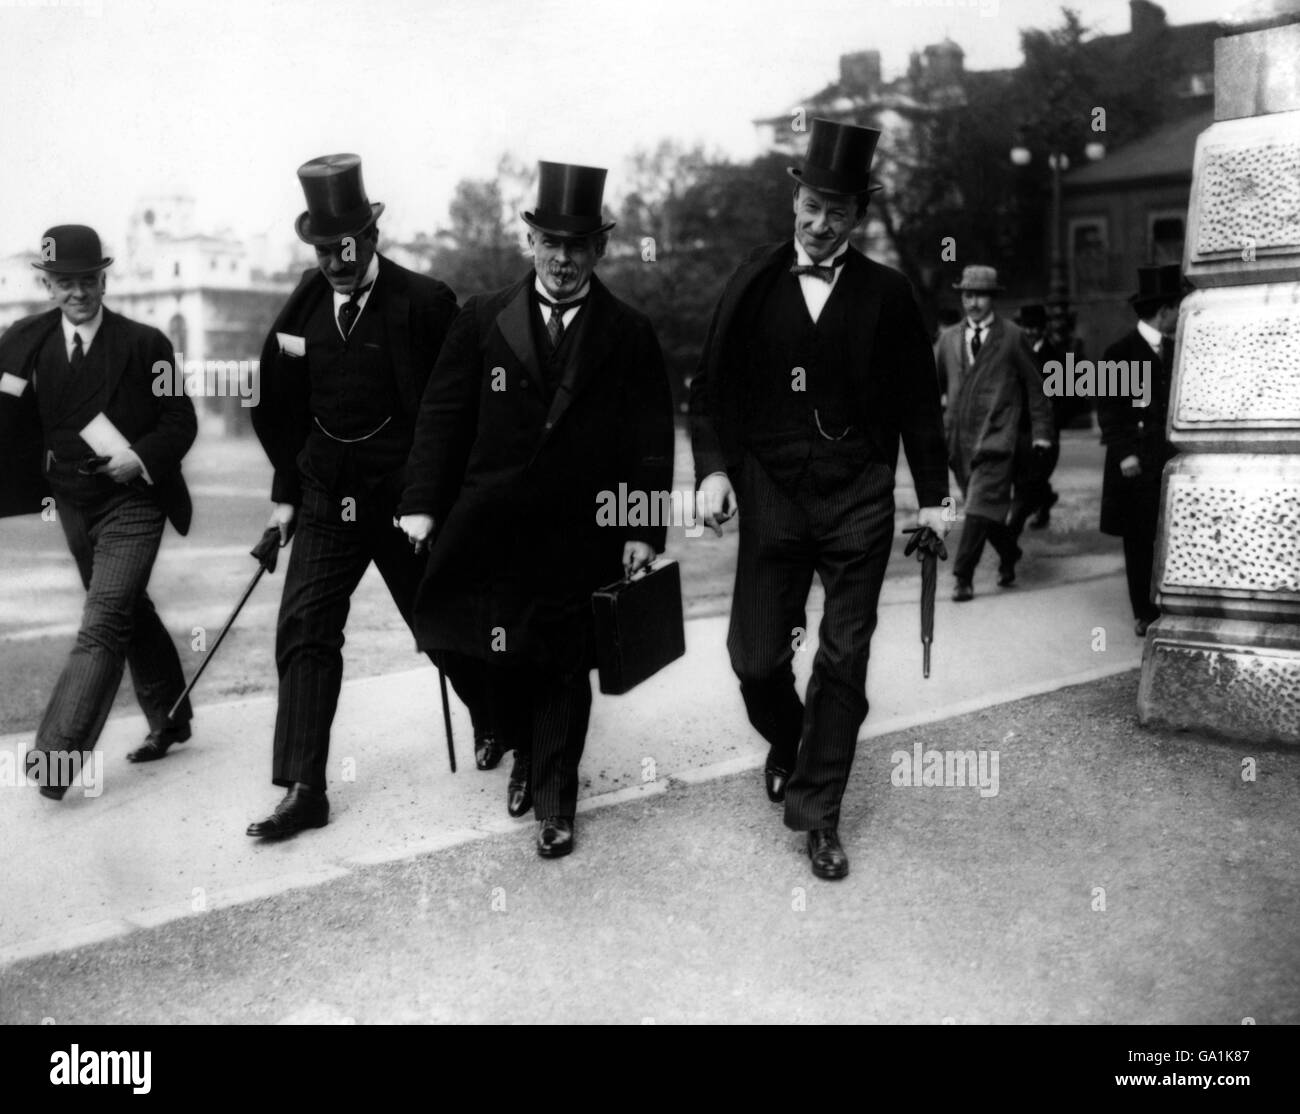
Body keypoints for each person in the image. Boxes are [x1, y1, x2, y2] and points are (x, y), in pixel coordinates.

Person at [690, 119, 951, 881]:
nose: (821, 223)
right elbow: (709, 389)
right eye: (812, 206)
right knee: (754, 660)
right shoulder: (752, 279)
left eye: (838, 211)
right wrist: (713, 471)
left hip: (859, 497)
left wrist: (933, 500)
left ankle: (819, 813)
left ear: (859, 215)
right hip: (771, 492)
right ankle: (793, 740)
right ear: (794, 201)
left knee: (843, 658)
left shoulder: (888, 293)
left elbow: (919, 405)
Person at [398, 161, 674, 860]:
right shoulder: (480, 318)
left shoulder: (628, 332)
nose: (562, 258)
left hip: (578, 534)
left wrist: (642, 527)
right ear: (530, 241)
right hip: (485, 527)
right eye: (550, 242)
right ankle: (516, 739)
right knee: (457, 635)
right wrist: (421, 504)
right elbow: (441, 417)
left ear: (600, 248)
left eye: (577, 245)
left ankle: (553, 799)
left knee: (561, 663)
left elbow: (649, 439)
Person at [246, 154, 491, 840]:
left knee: (442, 621)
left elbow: (454, 410)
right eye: (323, 251)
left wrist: (433, 500)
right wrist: (287, 493)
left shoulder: (426, 303)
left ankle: (496, 715)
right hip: (327, 496)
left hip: (406, 498)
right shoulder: (301, 305)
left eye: (346, 248)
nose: (336, 262)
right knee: (304, 628)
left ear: (373, 237)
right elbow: (278, 404)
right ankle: (304, 788)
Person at [0, 225, 196, 797]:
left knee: (104, 619)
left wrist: (140, 457)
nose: (78, 293)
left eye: (88, 280)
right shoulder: (22, 340)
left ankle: (56, 761)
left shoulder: (145, 343)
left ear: (104, 280)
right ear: (47, 284)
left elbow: (180, 420)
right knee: (125, 604)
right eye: (65, 282)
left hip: (134, 500)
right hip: (71, 500)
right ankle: (171, 715)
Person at [935, 266, 1055, 601]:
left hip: (998, 437)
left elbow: (1036, 388)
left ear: (993, 299)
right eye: (967, 295)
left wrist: (1041, 432)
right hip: (958, 441)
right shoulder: (948, 339)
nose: (973, 303)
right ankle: (1009, 551)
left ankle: (963, 577)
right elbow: (930, 387)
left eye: (980, 296)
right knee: (984, 511)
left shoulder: (1013, 336)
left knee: (978, 506)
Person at [1098, 264, 1183, 637]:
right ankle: (1144, 611)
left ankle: (1170, 600)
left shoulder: (1176, 350)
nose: (1179, 315)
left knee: (1171, 532)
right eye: (1176, 308)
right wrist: (1124, 454)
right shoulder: (1120, 353)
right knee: (1138, 539)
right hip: (1135, 463)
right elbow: (1109, 412)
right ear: (1164, 310)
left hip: (1168, 460)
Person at [1010, 303, 1068, 531]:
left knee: (1033, 477)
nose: (1030, 331)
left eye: (1035, 327)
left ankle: (1013, 528)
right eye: (1026, 327)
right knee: (1022, 475)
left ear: (1043, 329)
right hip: (1017, 426)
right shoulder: (1013, 353)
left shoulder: (1056, 358)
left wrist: (1054, 421)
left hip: (1044, 429)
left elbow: (1069, 398)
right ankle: (1045, 499)